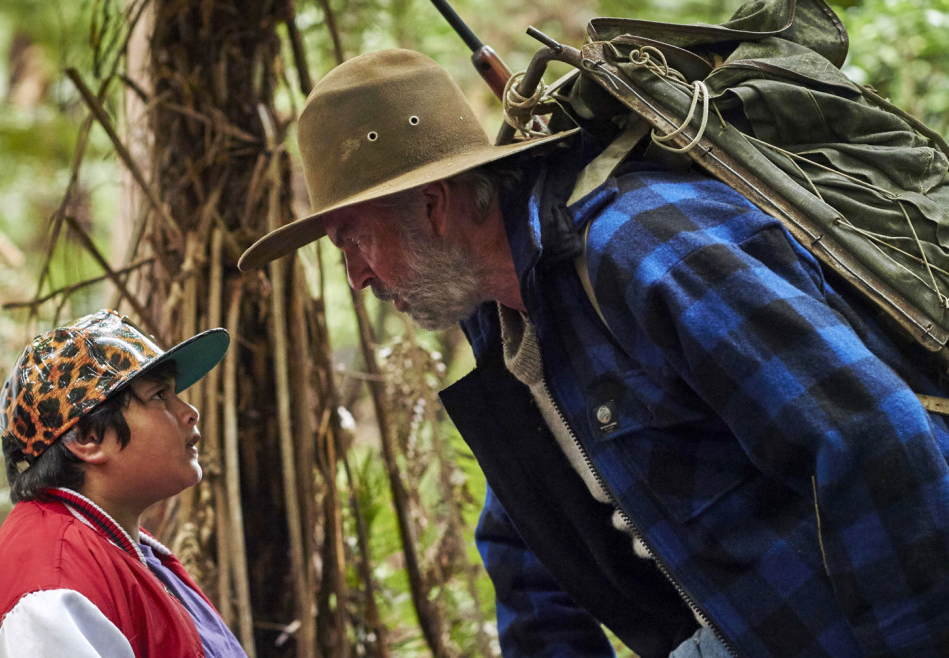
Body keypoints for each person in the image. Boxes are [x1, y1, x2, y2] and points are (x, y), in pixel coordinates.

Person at [237, 48, 949, 657]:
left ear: (433, 206)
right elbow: (530, 547)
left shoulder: (642, 249)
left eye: (355, 240)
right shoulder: (502, 320)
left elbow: (871, 436)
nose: (357, 278)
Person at [0, 309, 247, 657]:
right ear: (88, 437)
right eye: (159, 396)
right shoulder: (49, 592)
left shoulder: (121, 551)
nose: (190, 412)